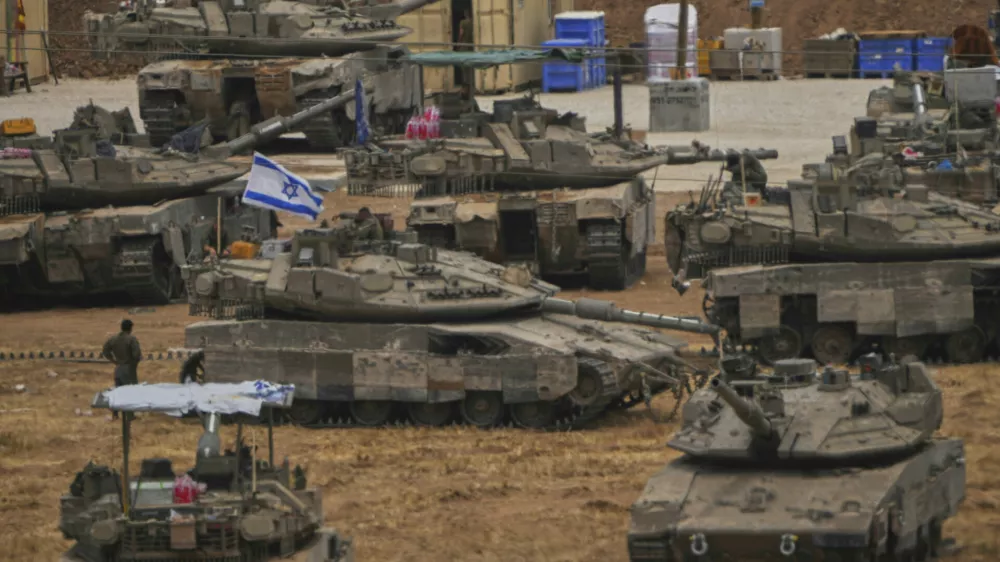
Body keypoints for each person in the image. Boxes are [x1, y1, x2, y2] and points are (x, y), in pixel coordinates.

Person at [102, 319, 142, 420]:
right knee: (130, 392)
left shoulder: (113, 339)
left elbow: (105, 350)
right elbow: (136, 354)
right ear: (130, 328)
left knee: (118, 392)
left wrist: (113, 361)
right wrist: (135, 362)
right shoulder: (131, 339)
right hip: (128, 368)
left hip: (118, 368)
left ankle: (115, 414)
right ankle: (130, 415)